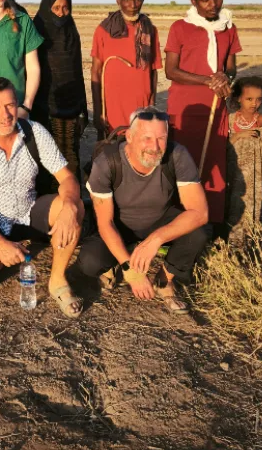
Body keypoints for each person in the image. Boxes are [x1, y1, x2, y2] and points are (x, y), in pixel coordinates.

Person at [0, 77, 85, 318]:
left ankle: (57, 280)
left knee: (74, 207)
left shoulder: (35, 131)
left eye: (10, 105)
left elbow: (67, 179)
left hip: (28, 211)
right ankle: (0, 252)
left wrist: (69, 208)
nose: (5, 114)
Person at [80, 107, 210, 313]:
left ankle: (164, 280)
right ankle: (120, 262)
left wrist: (157, 238)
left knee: (198, 232)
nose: (155, 147)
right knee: (90, 262)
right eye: (147, 138)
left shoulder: (177, 154)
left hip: (159, 218)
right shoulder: (107, 162)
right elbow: (106, 223)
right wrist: (131, 272)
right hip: (120, 222)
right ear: (129, 137)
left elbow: (200, 212)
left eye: (161, 138)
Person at [165, 0, 242, 226]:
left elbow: (231, 68)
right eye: (206, 0)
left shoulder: (229, 28)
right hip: (185, 108)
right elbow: (171, 71)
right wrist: (208, 80)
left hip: (215, 107)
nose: (213, 4)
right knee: (183, 163)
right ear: (193, 0)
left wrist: (224, 77)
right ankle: (179, 224)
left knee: (213, 161)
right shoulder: (180, 27)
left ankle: (213, 222)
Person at [30, 0, 88, 192]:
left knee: (70, 156)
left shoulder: (71, 31)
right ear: (47, 8)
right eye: (56, 8)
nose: (62, 13)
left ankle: (72, 204)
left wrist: (83, 107)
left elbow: (78, 71)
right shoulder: (36, 31)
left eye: (65, 8)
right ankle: (48, 210)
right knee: (47, 158)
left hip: (71, 105)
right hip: (44, 106)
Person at [90, 0, 161, 137]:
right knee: (112, 153)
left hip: (141, 106)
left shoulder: (150, 30)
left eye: (138, 0)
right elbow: (95, 72)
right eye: (127, 0)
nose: (133, 5)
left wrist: (152, 104)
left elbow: (153, 71)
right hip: (112, 107)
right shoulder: (104, 30)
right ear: (118, 0)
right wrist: (97, 111)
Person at [226, 76, 262, 245]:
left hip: (253, 174)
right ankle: (230, 237)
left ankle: (247, 238)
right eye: (249, 99)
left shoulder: (261, 120)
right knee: (233, 202)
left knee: (251, 202)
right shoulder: (230, 120)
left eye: (258, 99)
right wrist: (239, 135)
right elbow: (223, 144)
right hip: (233, 171)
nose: (254, 103)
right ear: (238, 98)